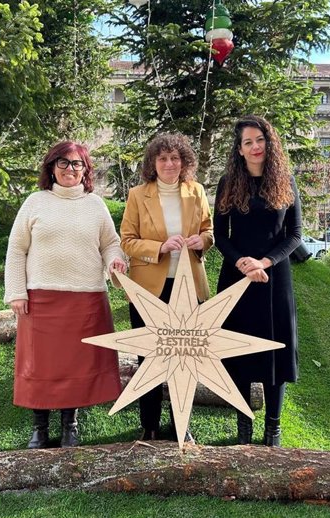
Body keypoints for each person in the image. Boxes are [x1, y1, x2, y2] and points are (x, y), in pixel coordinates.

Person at [4, 141, 127, 449]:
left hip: (86, 299)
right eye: (63, 163)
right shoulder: (35, 202)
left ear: (85, 170)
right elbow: (17, 249)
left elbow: (110, 243)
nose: (70, 169)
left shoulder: (95, 205)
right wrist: (17, 292)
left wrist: (116, 259)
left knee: (75, 365)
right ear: (51, 167)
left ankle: (70, 424)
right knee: (41, 364)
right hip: (41, 299)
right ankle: (40, 428)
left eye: (77, 164)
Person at [214, 115, 302, 446]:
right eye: (248, 142)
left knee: (275, 353)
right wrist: (241, 262)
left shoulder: (285, 181)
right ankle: (244, 428)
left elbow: (294, 235)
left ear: (269, 143)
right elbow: (220, 235)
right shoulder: (227, 183)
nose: (255, 147)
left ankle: (273, 429)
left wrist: (264, 262)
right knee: (238, 353)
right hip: (236, 279)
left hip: (274, 279)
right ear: (239, 149)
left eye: (260, 140)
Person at [120, 133, 214, 442]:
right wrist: (159, 247)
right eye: (163, 159)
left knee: (184, 360)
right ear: (153, 163)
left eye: (175, 158)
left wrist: (203, 241)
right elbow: (128, 241)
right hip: (148, 288)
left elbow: (208, 231)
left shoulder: (196, 191)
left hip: (188, 287)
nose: (169, 164)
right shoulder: (137, 195)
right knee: (149, 359)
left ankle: (180, 425)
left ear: (184, 161)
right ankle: (149, 427)